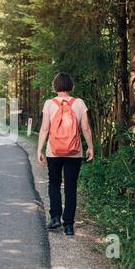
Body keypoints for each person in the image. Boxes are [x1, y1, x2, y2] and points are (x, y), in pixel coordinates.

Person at [37, 72, 94, 236]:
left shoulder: (49, 103)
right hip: (74, 152)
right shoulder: (79, 103)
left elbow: (45, 128)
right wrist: (90, 147)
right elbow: (85, 128)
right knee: (71, 186)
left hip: (53, 151)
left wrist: (40, 149)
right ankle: (69, 225)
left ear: (55, 86)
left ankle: (55, 217)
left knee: (54, 182)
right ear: (71, 86)